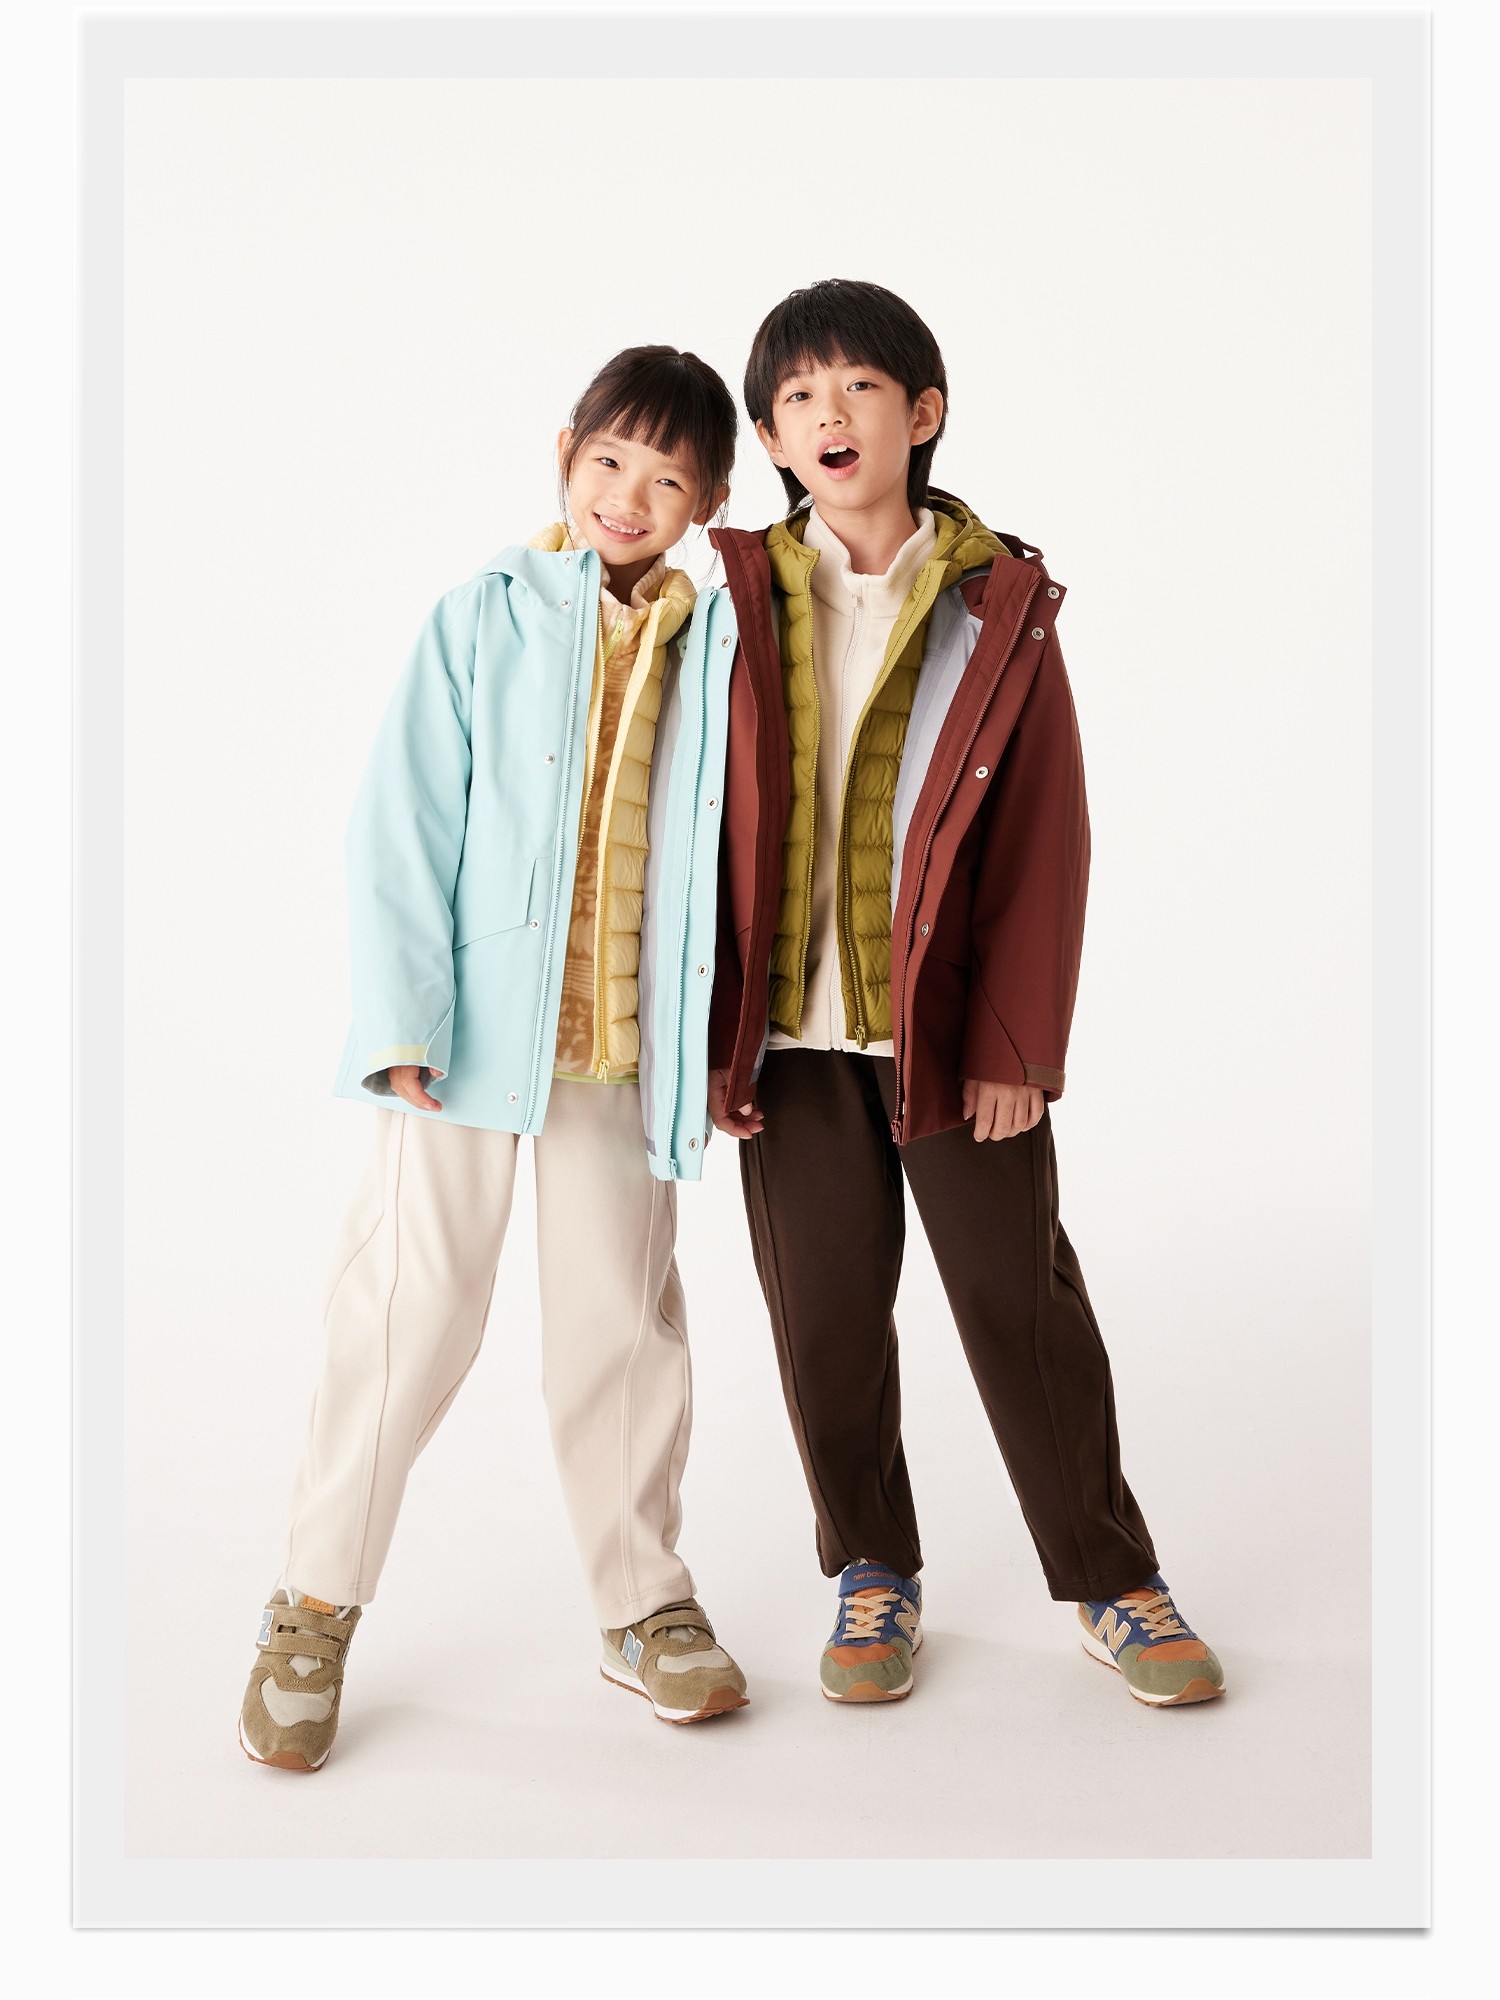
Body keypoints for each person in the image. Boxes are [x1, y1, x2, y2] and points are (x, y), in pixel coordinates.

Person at [706, 280, 1225, 1709]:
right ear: (770, 439)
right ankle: (872, 1569)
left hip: (946, 1037)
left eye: (859, 387)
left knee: (1017, 1301)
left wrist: (1017, 1044)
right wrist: (709, 1038)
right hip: (790, 1041)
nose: (829, 414)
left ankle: (1113, 1578)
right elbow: (697, 826)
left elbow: (1046, 841)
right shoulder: (732, 599)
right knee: (823, 1320)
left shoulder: (998, 606)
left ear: (922, 413)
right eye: (797, 397)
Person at [239, 346, 749, 1771]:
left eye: (667, 480)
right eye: (610, 462)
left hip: (623, 1047)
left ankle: (642, 1604)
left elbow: (730, 856)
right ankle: (312, 1606)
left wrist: (721, 1044)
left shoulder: (717, 645)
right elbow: (403, 819)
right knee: (409, 1313)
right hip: (462, 1042)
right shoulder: (484, 613)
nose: (629, 497)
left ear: (709, 503)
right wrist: (402, 1019)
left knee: (619, 1328)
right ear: (566, 453)